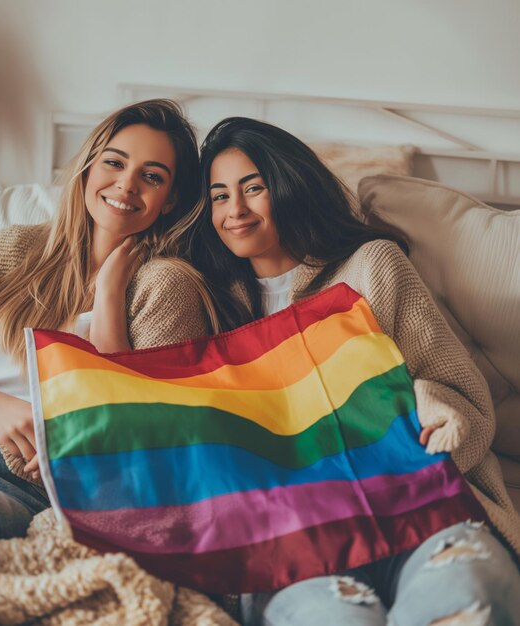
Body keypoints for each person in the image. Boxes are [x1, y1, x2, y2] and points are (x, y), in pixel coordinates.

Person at [188, 116, 520, 625]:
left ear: (289, 185)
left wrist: (433, 411)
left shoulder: (372, 266)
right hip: (299, 542)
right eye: (218, 195)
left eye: (253, 188)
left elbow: (455, 387)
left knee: (469, 596)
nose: (234, 210)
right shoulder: (207, 305)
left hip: (422, 508)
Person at [0, 99, 216, 599]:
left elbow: (140, 445)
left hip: (6, 486)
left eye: (151, 176)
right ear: (89, 166)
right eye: (115, 162)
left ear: (170, 200)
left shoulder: (165, 286)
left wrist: (110, 298)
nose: (126, 184)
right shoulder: (12, 250)